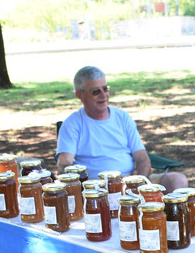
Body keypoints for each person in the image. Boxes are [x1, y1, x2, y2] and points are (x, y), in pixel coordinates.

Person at [56, 66, 188, 192]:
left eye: (105, 89)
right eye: (96, 91)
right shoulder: (72, 124)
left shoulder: (122, 117)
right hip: (96, 185)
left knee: (177, 180)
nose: (103, 95)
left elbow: (143, 159)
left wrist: (139, 183)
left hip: (131, 180)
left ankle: (173, 215)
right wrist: (86, 184)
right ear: (80, 95)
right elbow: (64, 164)